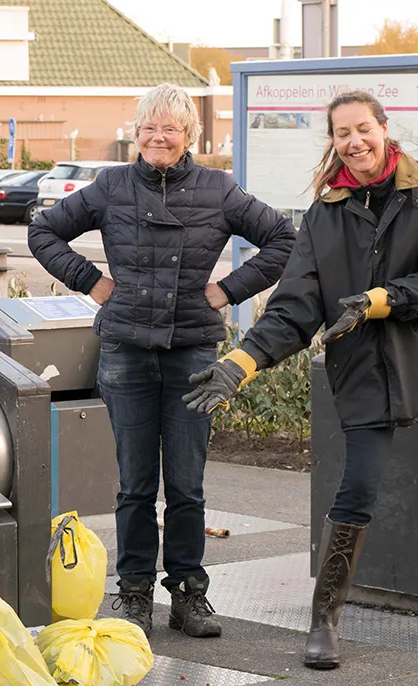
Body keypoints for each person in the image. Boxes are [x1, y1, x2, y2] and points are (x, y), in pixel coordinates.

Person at [28, 83, 296, 639]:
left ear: (190, 136)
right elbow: (44, 229)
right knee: (134, 485)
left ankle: (189, 595)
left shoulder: (220, 190)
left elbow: (283, 238)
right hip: (125, 349)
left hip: (193, 352)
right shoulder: (110, 186)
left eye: (170, 127)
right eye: (149, 126)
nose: (158, 136)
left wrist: (227, 291)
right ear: (137, 133)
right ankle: (132, 596)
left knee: (187, 484)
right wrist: (93, 283)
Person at [185, 90, 418, 670]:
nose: (354, 142)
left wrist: (383, 299)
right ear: (333, 141)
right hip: (365, 372)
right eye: (342, 134)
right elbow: (294, 309)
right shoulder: (325, 214)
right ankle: (326, 620)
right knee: (358, 492)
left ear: (385, 128)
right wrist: (239, 364)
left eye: (363, 129)